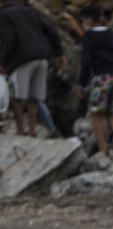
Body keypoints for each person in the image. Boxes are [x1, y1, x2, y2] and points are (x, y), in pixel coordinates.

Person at [0, 0, 65, 137]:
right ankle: (32, 131)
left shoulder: (4, 15)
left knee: (16, 97)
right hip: (42, 58)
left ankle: (21, 132)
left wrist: (2, 62)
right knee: (33, 97)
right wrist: (59, 54)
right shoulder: (30, 11)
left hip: (22, 59)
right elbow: (51, 32)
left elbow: (10, 40)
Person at [77, 6, 113, 155]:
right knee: (110, 111)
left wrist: (81, 85)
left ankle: (103, 149)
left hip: (102, 77)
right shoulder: (111, 33)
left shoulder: (88, 37)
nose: (82, 24)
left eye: (82, 21)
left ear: (88, 20)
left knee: (95, 113)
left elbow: (86, 63)